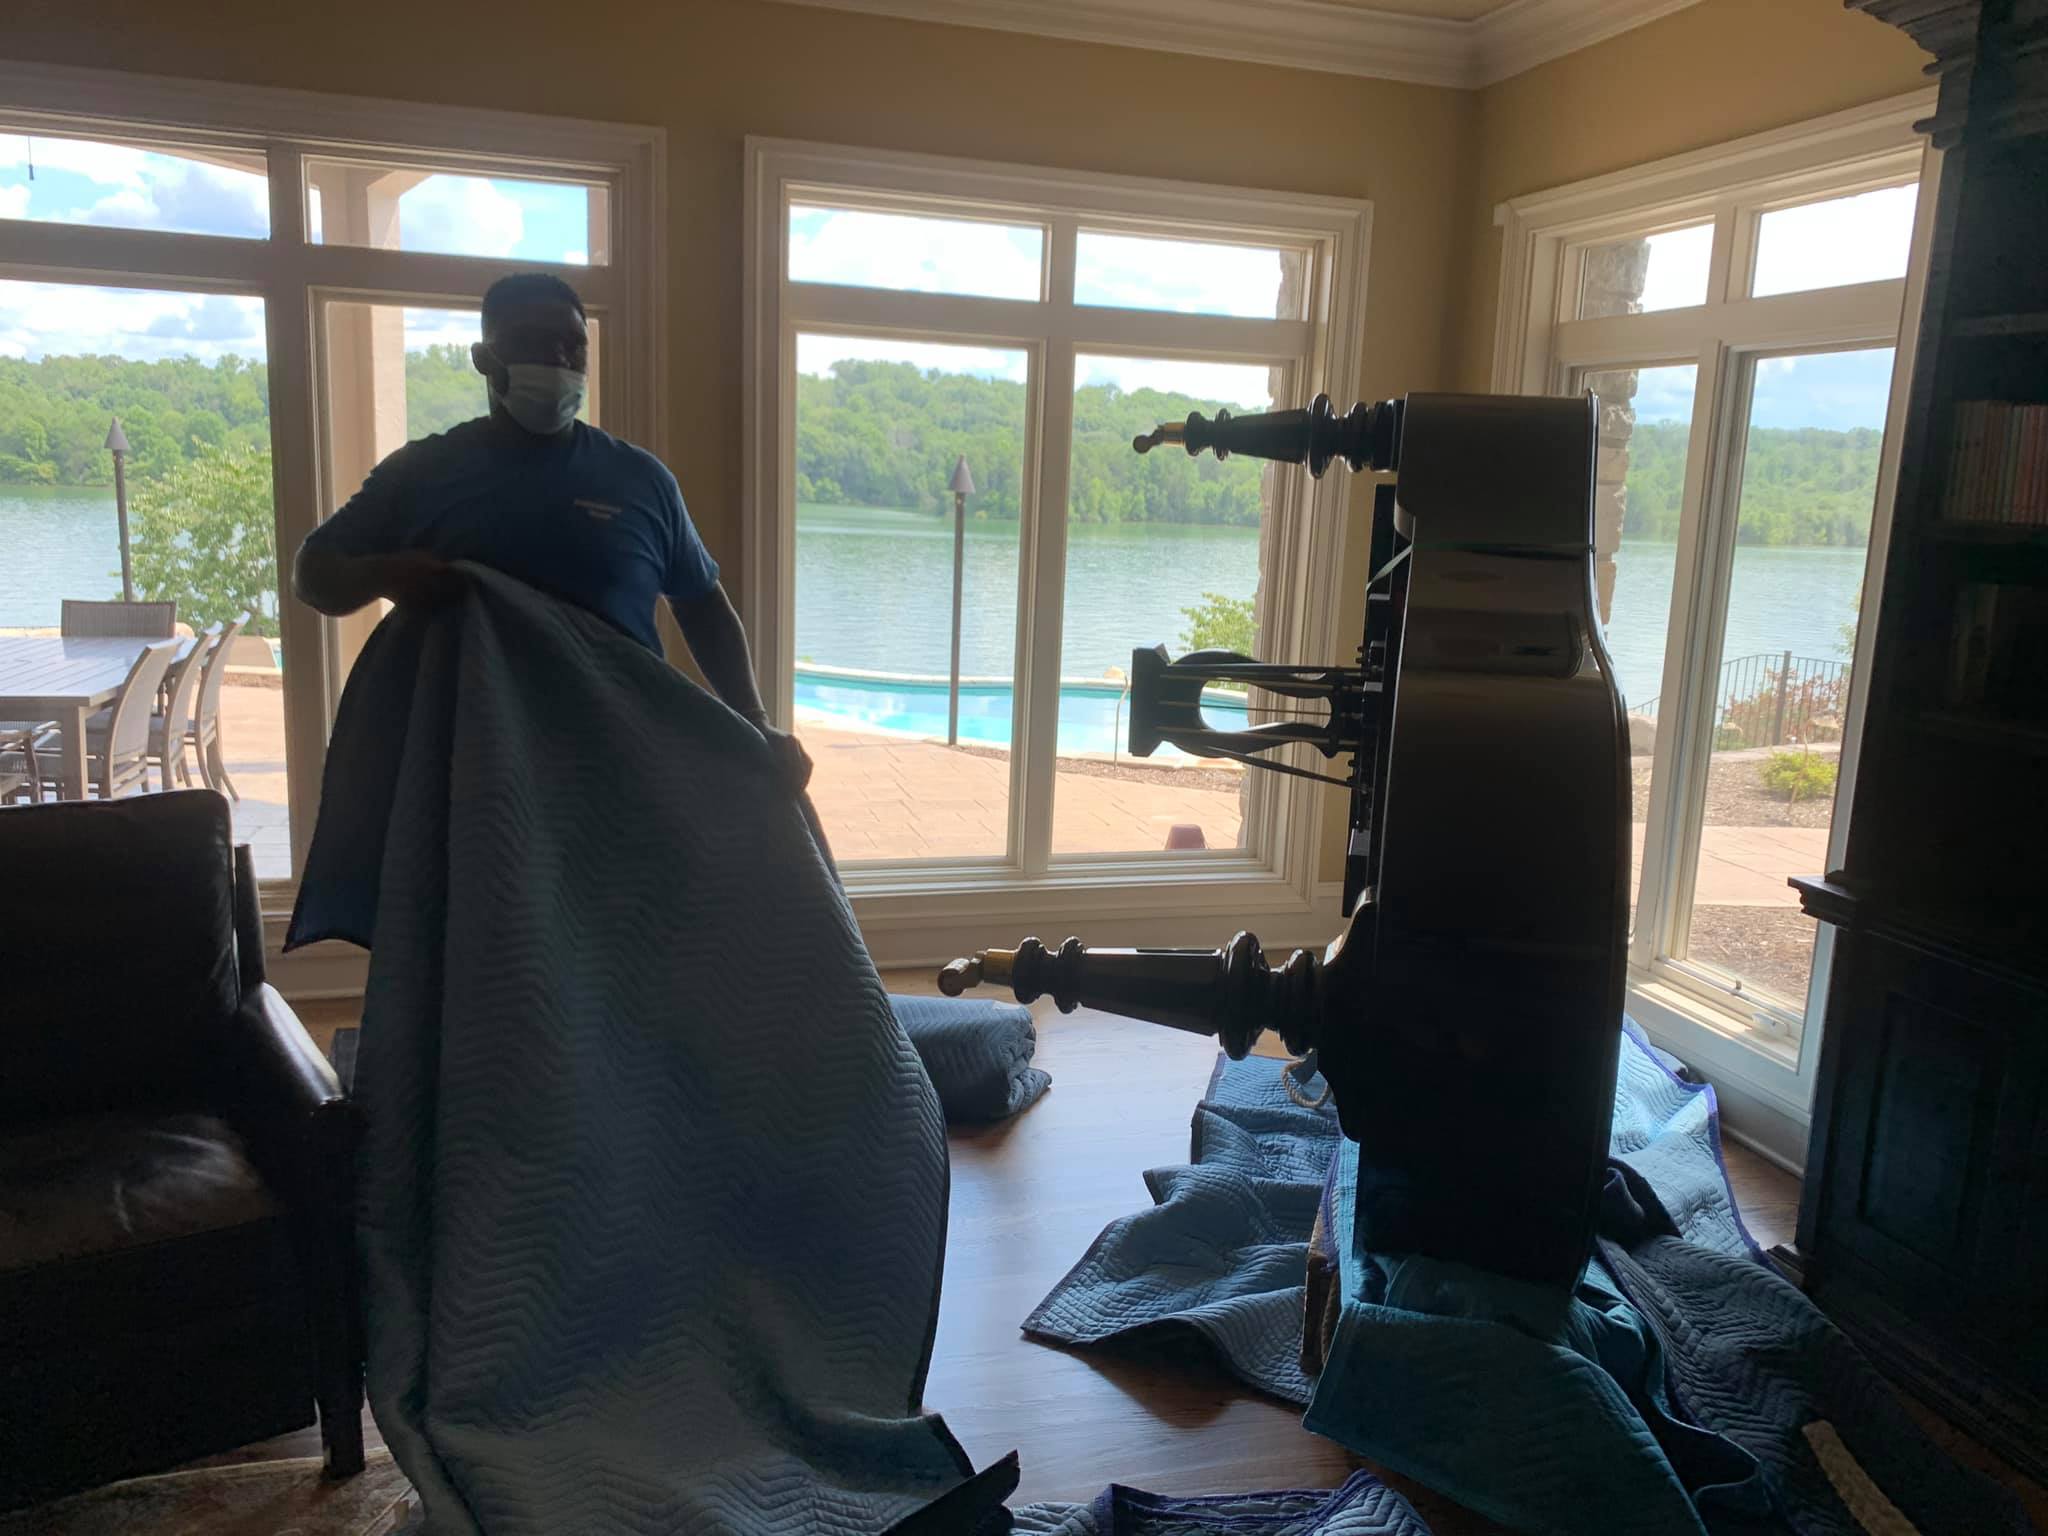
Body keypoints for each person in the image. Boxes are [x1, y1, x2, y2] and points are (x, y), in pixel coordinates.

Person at [293, 271, 809, 788]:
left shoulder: (642, 481)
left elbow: (702, 605)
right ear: (484, 358)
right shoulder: (420, 473)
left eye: (573, 345)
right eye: (532, 341)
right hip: (470, 767)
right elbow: (312, 573)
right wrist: (385, 574)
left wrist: (754, 721)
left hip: (621, 764)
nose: (558, 358)